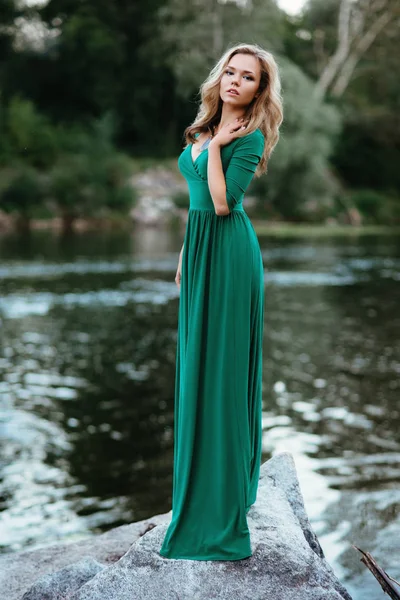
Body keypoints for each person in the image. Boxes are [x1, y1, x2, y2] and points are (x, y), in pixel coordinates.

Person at [159, 43, 283, 561]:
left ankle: (224, 501)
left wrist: (215, 151)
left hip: (231, 257)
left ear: (260, 88)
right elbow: (195, 208)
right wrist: (186, 255)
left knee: (224, 372)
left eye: (247, 76)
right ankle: (200, 487)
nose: (235, 81)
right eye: (229, 72)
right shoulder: (202, 127)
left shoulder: (248, 137)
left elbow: (222, 203)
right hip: (203, 251)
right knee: (196, 367)